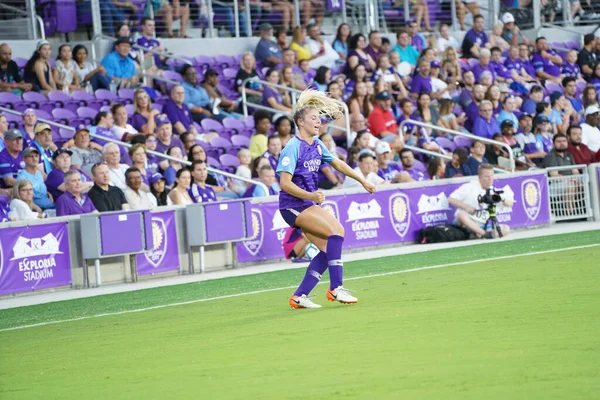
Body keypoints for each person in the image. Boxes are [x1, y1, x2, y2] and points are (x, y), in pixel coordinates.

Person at [277, 89, 376, 309]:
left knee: (326, 249)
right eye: (313, 118)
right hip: (293, 205)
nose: (318, 121)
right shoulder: (292, 147)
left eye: (319, 118)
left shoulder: (317, 144)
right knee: (337, 231)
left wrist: (362, 180)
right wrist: (311, 195)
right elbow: (284, 183)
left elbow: (338, 164)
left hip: (306, 203)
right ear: (300, 122)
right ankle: (335, 288)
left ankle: (299, 296)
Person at [449, 164, 512, 239]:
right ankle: (484, 234)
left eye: (492, 175)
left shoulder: (492, 190)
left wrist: (501, 198)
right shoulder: (469, 187)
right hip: (466, 223)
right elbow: (451, 199)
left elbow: (510, 204)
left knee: (506, 229)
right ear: (479, 177)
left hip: (481, 225)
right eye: (487, 176)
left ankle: (479, 234)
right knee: (461, 214)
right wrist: (466, 207)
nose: (490, 178)